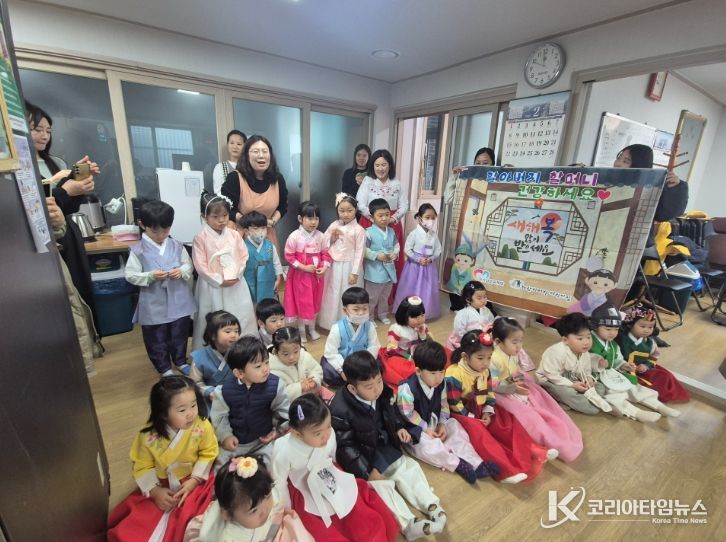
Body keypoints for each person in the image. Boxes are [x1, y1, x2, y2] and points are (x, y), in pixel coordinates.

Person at [329, 351, 446, 540]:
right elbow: (345, 446)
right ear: (352, 388)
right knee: (382, 487)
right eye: (369, 386)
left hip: (384, 444)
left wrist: (398, 427)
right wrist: (366, 471)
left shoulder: (383, 391)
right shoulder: (340, 409)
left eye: (379, 381)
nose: (376, 389)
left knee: (407, 468)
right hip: (364, 454)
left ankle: (431, 504)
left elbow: (391, 413)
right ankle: (408, 523)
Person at [271, 394, 399, 542]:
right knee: (323, 527)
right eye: (318, 433)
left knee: (357, 511)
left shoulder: (329, 434)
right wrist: (287, 507)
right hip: (302, 486)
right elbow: (279, 482)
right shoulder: (284, 450)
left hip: (327, 474)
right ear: (297, 434)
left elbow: (332, 456)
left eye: (328, 426)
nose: (326, 435)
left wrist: (338, 471)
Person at [108, 376, 218, 542]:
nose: (191, 414)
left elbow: (209, 452)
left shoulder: (202, 426)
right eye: (182, 410)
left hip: (193, 479)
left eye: (193, 405)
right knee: (136, 527)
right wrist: (154, 491)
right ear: (163, 414)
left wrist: (194, 480)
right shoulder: (148, 436)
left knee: (190, 517)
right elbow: (142, 465)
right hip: (162, 483)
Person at [27, 101, 100, 328]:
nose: (44, 136)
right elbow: (39, 207)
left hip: (67, 233)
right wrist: (66, 190)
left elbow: (68, 205)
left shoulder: (53, 162)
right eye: (37, 129)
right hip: (46, 242)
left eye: (48, 131)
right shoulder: (21, 166)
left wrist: (77, 179)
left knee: (80, 291)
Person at [446, 330, 553, 484]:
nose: (486, 363)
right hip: (461, 412)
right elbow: (454, 403)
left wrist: (487, 411)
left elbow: (488, 391)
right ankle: (506, 470)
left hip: (478, 405)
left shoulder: (485, 371)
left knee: (505, 418)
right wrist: (473, 417)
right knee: (479, 433)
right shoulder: (454, 374)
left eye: (489, 357)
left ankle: (531, 448)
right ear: (465, 357)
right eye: (480, 358)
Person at [396, 341, 499, 484]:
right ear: (418, 371)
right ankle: (457, 464)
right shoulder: (407, 388)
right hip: (415, 428)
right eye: (433, 373)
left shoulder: (441, 383)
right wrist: (426, 428)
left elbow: (444, 404)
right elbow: (407, 413)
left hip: (433, 420)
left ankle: (476, 463)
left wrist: (442, 423)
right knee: (427, 446)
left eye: (441, 372)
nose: (439, 377)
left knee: (455, 426)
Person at [490, 317, 583, 463]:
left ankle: (557, 428)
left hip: (513, 384)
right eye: (514, 342)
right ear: (498, 341)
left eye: (521, 341)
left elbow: (515, 370)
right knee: (527, 415)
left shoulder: (512, 353)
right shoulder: (493, 359)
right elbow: (493, 384)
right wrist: (514, 387)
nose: (519, 346)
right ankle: (547, 439)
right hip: (500, 392)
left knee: (542, 399)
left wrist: (518, 379)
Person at [126, 200, 196, 376]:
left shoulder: (177, 245)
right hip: (153, 300)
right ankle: (164, 367)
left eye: (165, 231)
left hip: (178, 296)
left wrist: (181, 271)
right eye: (155, 231)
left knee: (179, 331)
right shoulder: (138, 250)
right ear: (143, 225)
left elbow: (188, 265)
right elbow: (130, 275)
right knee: (156, 335)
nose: (160, 235)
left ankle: (180, 360)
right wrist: (149, 276)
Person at [184, 456, 314, 542]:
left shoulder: (263, 493)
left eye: (267, 496)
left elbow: (274, 502)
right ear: (228, 515)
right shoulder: (223, 536)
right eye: (254, 511)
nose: (265, 510)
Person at [589, 304, 680, 421]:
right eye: (608, 329)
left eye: (616, 329)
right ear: (595, 326)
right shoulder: (589, 340)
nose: (613, 333)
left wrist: (624, 365)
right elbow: (581, 356)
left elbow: (617, 359)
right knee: (613, 394)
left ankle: (658, 406)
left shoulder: (613, 344)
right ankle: (636, 413)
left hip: (611, 372)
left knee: (633, 387)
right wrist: (596, 362)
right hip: (596, 376)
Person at [192, 192, 257, 351]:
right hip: (212, 285)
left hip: (235, 282)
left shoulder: (234, 235)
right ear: (204, 216)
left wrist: (237, 274)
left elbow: (243, 256)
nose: (221, 220)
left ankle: (244, 349)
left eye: (225, 215)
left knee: (241, 313)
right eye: (215, 217)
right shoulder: (200, 238)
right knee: (213, 315)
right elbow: (200, 265)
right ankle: (213, 350)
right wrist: (218, 280)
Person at [210, 336, 290, 466]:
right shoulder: (224, 391)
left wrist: (277, 432)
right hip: (237, 443)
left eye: (267, 362)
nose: (265, 369)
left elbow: (284, 413)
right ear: (239, 373)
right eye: (258, 366)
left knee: (274, 463)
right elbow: (219, 417)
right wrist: (225, 436)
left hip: (264, 441)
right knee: (220, 465)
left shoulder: (276, 386)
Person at [537, 313, 613, 415]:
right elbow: (551, 375)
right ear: (565, 340)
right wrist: (572, 385)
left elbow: (586, 370)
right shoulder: (556, 352)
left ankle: (584, 400)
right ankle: (592, 405)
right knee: (568, 393)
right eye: (580, 338)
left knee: (599, 386)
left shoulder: (584, 352)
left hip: (572, 378)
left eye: (588, 337)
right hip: (550, 381)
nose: (586, 342)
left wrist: (588, 379)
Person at [356, 149, 408, 298]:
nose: (380, 168)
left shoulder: (396, 183)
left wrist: (393, 218)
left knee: (391, 258)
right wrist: (374, 218)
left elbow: (404, 204)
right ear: (372, 166)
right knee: (368, 258)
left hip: (392, 223)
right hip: (369, 222)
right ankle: (365, 296)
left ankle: (389, 297)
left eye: (384, 164)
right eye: (377, 165)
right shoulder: (368, 181)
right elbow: (359, 203)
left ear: (390, 165)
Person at [222, 135, 288, 248]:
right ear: (246, 155)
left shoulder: (277, 179)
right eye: (256, 151)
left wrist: (272, 222)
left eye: (265, 151)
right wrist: (246, 221)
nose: (261, 155)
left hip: (266, 234)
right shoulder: (235, 178)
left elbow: (283, 206)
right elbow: (226, 207)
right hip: (240, 234)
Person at [617, 304, 690, 403]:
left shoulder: (650, 343)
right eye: (642, 326)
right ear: (630, 324)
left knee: (666, 375)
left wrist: (646, 365)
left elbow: (654, 356)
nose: (647, 330)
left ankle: (669, 395)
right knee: (647, 384)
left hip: (643, 367)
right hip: (625, 367)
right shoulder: (622, 338)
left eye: (650, 327)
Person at [283, 201, 331, 342]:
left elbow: (326, 254)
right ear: (300, 218)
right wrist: (303, 267)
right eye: (309, 218)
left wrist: (324, 267)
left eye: (316, 218)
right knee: (302, 302)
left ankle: (312, 328)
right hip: (300, 276)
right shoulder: (294, 236)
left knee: (315, 301)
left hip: (316, 277)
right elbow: (289, 256)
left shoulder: (321, 236)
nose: (313, 222)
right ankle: (302, 331)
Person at [319, 193, 366, 330]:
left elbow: (360, 252)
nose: (345, 214)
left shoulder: (359, 230)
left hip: (349, 265)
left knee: (347, 291)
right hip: (334, 264)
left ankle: (349, 322)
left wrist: (355, 272)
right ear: (337, 210)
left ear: (355, 210)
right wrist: (332, 239)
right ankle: (330, 322)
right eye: (342, 211)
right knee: (332, 291)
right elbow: (324, 242)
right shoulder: (334, 225)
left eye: (349, 210)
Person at [321, 287, 380, 387]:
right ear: (345, 310)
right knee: (328, 368)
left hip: (363, 362)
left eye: (365, 308)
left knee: (379, 366)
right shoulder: (337, 328)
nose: (361, 313)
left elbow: (373, 346)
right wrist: (342, 370)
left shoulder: (369, 326)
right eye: (356, 309)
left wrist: (364, 364)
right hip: (343, 362)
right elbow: (331, 352)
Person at [613, 144, 688, 222]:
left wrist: (676, 189)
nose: (617, 164)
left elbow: (664, 214)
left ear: (639, 166)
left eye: (626, 161)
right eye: (618, 158)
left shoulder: (650, 189)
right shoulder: (608, 181)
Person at [393, 203, 442, 320]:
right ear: (419, 218)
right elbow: (407, 249)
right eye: (427, 217)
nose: (430, 220)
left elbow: (438, 250)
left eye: (433, 218)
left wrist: (431, 258)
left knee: (427, 289)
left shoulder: (434, 235)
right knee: (410, 287)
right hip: (414, 266)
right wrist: (417, 258)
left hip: (428, 267)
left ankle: (425, 311)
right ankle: (408, 312)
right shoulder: (414, 234)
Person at [380, 296, 433, 391]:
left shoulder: (422, 326)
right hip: (400, 356)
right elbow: (392, 348)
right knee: (403, 368)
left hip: (419, 354)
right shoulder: (396, 328)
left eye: (422, 315)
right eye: (415, 317)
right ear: (404, 316)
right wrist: (408, 357)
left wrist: (423, 336)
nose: (420, 320)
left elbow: (431, 344)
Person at [189, 310, 239, 410]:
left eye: (236, 331)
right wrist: (210, 392)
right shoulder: (200, 357)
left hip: (236, 394)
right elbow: (195, 383)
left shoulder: (239, 353)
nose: (234, 335)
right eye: (228, 331)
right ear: (212, 335)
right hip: (213, 398)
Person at [363, 198, 400, 324]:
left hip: (389, 271)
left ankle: (382, 314)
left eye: (387, 215)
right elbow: (364, 250)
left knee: (385, 296)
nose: (384, 218)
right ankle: (369, 317)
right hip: (374, 273)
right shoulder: (368, 232)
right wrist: (376, 255)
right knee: (372, 297)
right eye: (380, 215)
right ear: (372, 217)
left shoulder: (391, 231)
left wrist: (395, 253)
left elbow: (396, 245)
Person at [268, 326, 327, 402]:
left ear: (300, 347)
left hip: (311, 395)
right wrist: (300, 387)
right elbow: (278, 394)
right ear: (276, 352)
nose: (292, 357)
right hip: (291, 404)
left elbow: (316, 369)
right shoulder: (272, 369)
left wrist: (314, 381)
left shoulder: (304, 356)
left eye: (296, 352)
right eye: (286, 354)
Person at [241, 211, 283, 303]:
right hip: (250, 282)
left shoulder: (270, 245)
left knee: (268, 304)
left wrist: (278, 276)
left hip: (269, 280)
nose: (260, 231)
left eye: (263, 228)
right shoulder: (243, 247)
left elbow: (276, 262)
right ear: (247, 231)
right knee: (252, 304)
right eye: (256, 228)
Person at [446, 280, 494, 350]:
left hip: (481, 338)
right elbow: (459, 331)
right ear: (468, 299)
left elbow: (491, 322)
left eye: (485, 297)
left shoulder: (486, 310)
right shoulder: (462, 313)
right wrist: (473, 338)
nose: (483, 300)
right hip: (467, 340)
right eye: (479, 298)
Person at [212, 130, 246, 195]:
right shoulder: (220, 167)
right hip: (227, 201)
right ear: (227, 145)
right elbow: (218, 192)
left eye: (239, 144)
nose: (235, 147)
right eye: (232, 143)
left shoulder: (249, 167)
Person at [446, 244, 476, 311]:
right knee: (453, 295)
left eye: (465, 261)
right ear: (455, 259)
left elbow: (468, 279)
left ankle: (460, 308)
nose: (462, 263)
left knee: (462, 297)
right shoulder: (455, 266)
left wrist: (461, 287)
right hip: (454, 285)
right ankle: (454, 306)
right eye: (458, 260)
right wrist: (456, 286)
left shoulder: (469, 270)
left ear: (472, 261)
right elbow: (453, 277)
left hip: (463, 287)